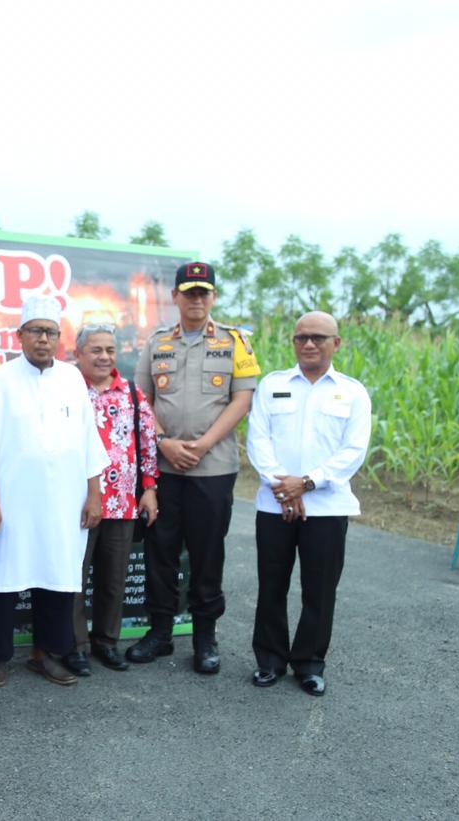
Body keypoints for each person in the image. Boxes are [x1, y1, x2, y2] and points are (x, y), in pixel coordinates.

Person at [0, 296, 109, 689]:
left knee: (57, 575)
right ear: (20, 335)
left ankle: (47, 655)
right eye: (35, 331)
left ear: (59, 338)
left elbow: (89, 441)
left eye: (50, 332)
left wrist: (94, 495)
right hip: (13, 501)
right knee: (4, 576)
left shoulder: (71, 379)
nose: (43, 339)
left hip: (64, 501)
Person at [130, 261, 259, 674]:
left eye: (204, 292)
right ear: (175, 297)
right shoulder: (157, 343)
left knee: (207, 555)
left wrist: (202, 445)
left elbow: (242, 399)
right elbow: (142, 401)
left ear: (213, 297)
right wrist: (164, 442)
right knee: (160, 553)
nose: (197, 299)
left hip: (212, 468)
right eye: (189, 292)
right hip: (164, 469)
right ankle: (160, 632)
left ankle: (205, 636)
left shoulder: (234, 342)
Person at [245, 311, 371, 696]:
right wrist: (284, 487)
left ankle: (310, 663)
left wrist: (308, 483)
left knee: (319, 590)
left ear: (337, 343)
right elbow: (258, 440)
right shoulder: (272, 385)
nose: (309, 344)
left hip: (327, 507)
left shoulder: (352, 392)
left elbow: (353, 450)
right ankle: (269, 660)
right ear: (293, 342)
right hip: (275, 505)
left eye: (319, 337)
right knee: (272, 586)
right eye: (302, 337)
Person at [63, 323, 159, 677]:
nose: (104, 357)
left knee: (113, 579)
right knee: (73, 578)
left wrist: (149, 489)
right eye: (96, 350)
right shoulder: (67, 391)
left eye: (110, 350)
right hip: (76, 503)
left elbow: (147, 443)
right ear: (78, 354)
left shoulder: (131, 392)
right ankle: (74, 646)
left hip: (122, 503)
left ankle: (106, 642)